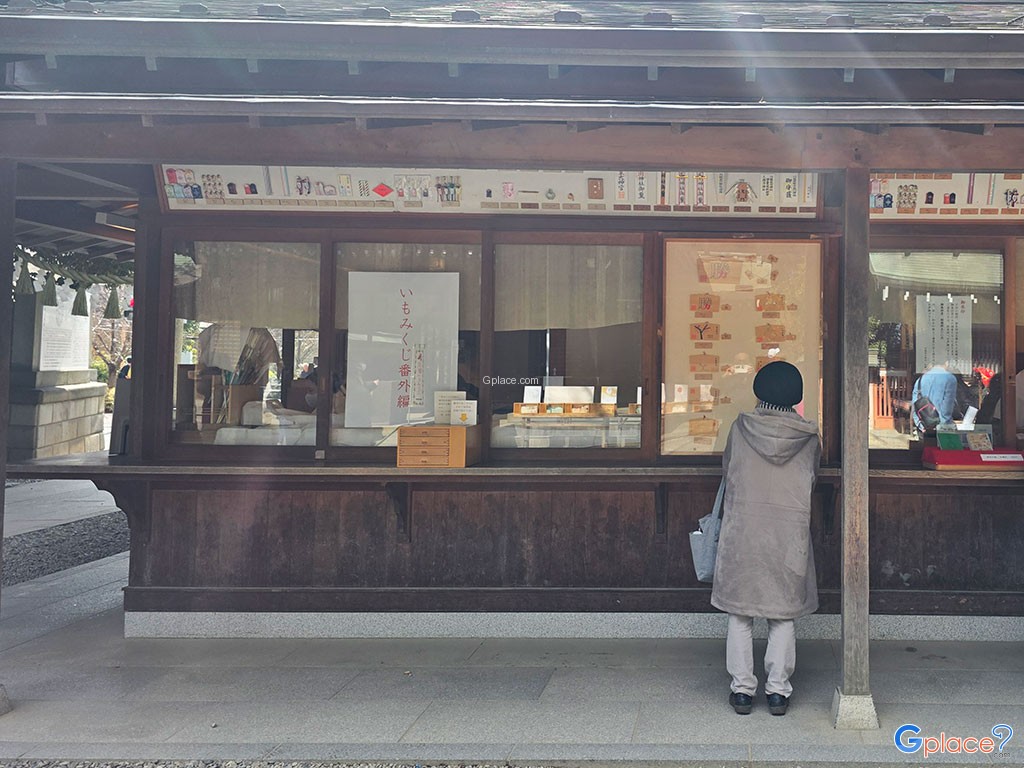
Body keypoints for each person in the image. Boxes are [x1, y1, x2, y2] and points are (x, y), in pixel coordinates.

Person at [711, 360, 821, 717]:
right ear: (795, 396)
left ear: (759, 390)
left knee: (741, 613)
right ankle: (778, 691)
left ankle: (742, 690)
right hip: (788, 534)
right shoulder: (809, 439)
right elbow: (812, 481)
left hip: (744, 532)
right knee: (782, 614)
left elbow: (729, 471)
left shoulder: (740, 430)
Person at [911, 362, 958, 433]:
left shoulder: (920, 380)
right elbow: (947, 407)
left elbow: (915, 405)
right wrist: (945, 426)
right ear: (946, 363)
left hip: (925, 427)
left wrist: (920, 425)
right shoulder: (950, 379)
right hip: (943, 428)